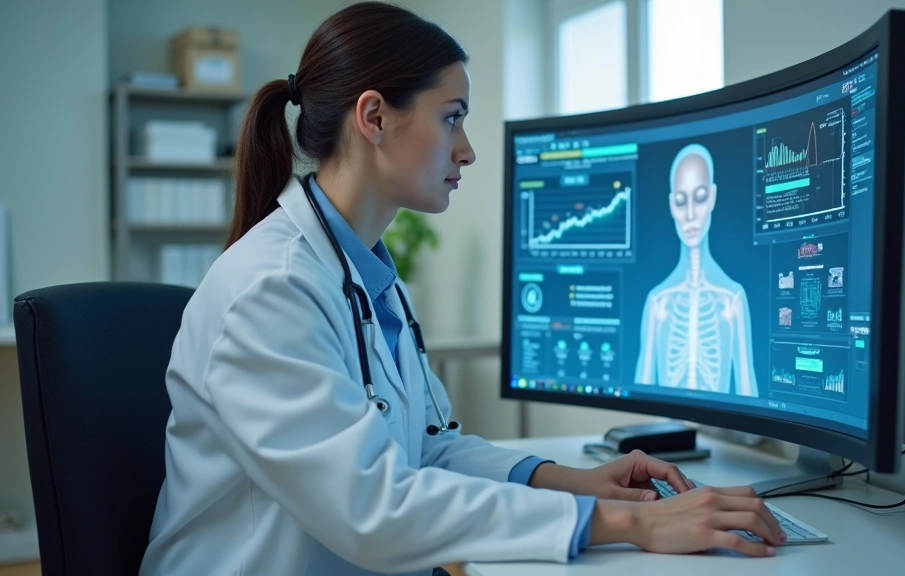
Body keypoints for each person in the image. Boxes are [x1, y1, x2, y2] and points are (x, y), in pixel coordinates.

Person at [140, 4, 782, 575]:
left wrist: (573, 482)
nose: (467, 150)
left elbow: (427, 447)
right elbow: (372, 508)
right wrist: (632, 522)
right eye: (452, 119)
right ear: (374, 117)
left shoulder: (367, 276)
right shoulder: (271, 290)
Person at [635, 144, 759, 396]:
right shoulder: (657, 302)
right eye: (681, 202)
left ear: (712, 197)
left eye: (700, 197)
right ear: (672, 205)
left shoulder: (733, 298)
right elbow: (639, 397)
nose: (690, 214)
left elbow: (749, 396)